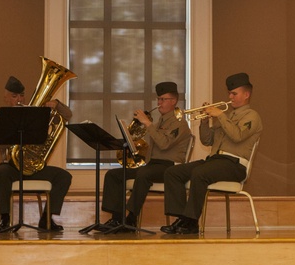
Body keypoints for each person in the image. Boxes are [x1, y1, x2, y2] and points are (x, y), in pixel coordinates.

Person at [160, 73, 262, 235]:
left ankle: (191, 222)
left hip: (235, 165)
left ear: (246, 94)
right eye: (229, 93)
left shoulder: (252, 116)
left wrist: (220, 115)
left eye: (234, 94)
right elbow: (207, 140)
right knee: (173, 172)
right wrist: (205, 121)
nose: (230, 97)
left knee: (200, 173)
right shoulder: (228, 117)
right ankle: (182, 218)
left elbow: (237, 136)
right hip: (215, 161)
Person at [95, 81, 192, 232]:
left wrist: (147, 123)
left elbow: (164, 144)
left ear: (173, 101)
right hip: (152, 165)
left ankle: (131, 219)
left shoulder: (180, 124)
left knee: (143, 174)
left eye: (163, 99)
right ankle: (116, 218)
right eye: (158, 99)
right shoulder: (160, 121)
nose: (159, 103)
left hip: (170, 166)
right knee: (114, 174)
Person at [0, 76, 73, 233]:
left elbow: (67, 115)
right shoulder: (0, 118)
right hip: (12, 167)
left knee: (64, 176)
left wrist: (56, 105)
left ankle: (46, 218)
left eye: (21, 95)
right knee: (1, 173)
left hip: (35, 168)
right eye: (14, 96)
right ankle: (5, 218)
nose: (19, 99)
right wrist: (16, 137)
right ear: (6, 98)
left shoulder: (36, 115)